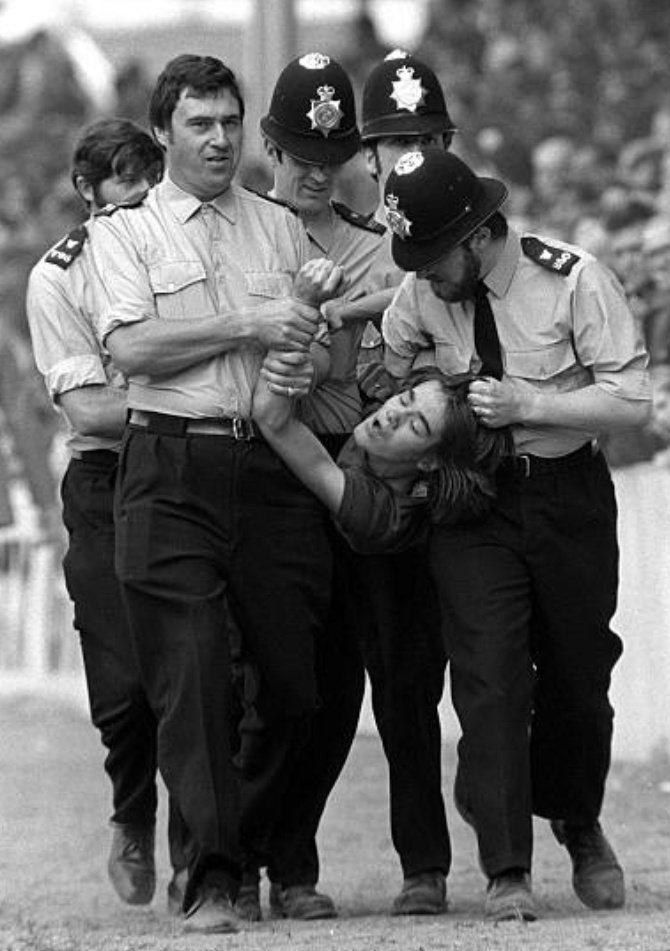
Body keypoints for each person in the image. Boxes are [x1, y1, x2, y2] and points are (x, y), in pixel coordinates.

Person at [86, 54, 344, 935]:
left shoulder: (277, 228)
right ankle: (211, 877)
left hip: (267, 467)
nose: (220, 138)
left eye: (230, 121)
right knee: (193, 676)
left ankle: (252, 841)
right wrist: (247, 321)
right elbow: (132, 351)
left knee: (294, 685)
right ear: (163, 134)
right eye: (200, 123)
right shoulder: (126, 235)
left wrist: (298, 349)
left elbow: (299, 349)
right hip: (168, 467)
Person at [380, 148, 651, 921]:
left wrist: (530, 402)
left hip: (567, 497)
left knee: (578, 675)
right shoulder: (421, 290)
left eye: (434, 259)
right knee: (490, 676)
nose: (426, 278)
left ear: (475, 237)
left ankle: (578, 817)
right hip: (474, 504)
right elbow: (393, 366)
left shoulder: (572, 279)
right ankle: (507, 870)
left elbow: (631, 399)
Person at [232, 51, 382, 923]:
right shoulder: (243, 231)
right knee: (274, 672)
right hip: (266, 459)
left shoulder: (373, 246)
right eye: (300, 155)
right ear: (271, 147)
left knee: (338, 678)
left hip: (351, 452)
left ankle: (293, 855)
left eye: (334, 159)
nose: (317, 174)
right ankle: (242, 849)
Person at [25, 118, 182, 907]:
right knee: (122, 682)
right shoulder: (61, 276)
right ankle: (132, 809)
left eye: (151, 180)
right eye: (124, 183)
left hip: (193, 470)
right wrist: (187, 399)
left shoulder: (185, 248)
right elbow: (89, 412)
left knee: (202, 668)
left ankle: (208, 850)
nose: (142, 197)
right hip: (107, 480)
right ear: (88, 192)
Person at [252, 364, 510, 550]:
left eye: (416, 427)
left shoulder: (379, 513)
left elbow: (273, 420)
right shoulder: (382, 412)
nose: (393, 414)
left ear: (429, 462)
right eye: (405, 399)